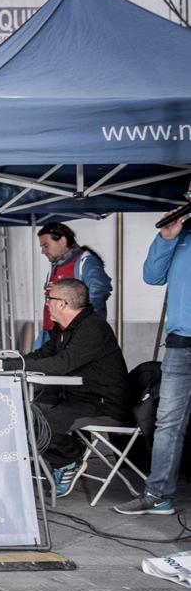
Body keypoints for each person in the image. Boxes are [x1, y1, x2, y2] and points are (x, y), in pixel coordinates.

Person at [0, 278, 128, 495]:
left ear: (62, 303)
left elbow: (61, 364)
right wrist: (3, 364)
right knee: (23, 412)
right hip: (75, 398)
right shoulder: (62, 328)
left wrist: (3, 365)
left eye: (49, 299)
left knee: (39, 420)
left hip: (102, 404)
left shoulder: (93, 328)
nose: (46, 304)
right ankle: (56, 458)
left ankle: (68, 458)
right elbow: (41, 356)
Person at [116, 192, 191, 516]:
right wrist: (167, 237)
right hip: (179, 343)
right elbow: (152, 275)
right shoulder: (180, 236)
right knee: (168, 422)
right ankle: (158, 494)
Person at [36, 222, 112, 347]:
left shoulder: (85, 262)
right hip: (52, 332)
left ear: (62, 241)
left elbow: (99, 290)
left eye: (46, 246)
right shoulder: (55, 265)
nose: (43, 251)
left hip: (73, 335)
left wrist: (83, 326)